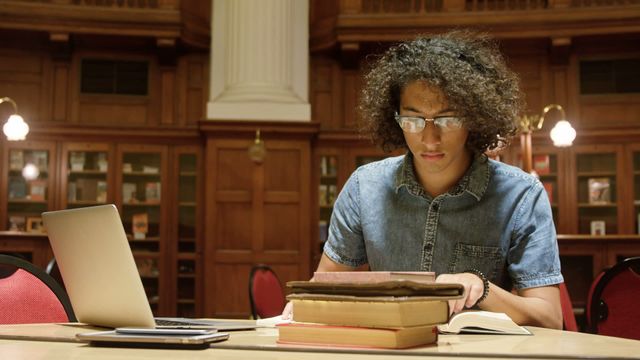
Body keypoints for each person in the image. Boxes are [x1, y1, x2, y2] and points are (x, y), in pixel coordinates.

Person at [287, 30, 563, 329]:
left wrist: (480, 287)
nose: (429, 138)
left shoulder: (521, 195)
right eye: (413, 120)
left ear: (474, 117)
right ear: (395, 118)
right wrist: (302, 306)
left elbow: (550, 317)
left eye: (447, 119)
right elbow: (324, 291)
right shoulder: (364, 187)